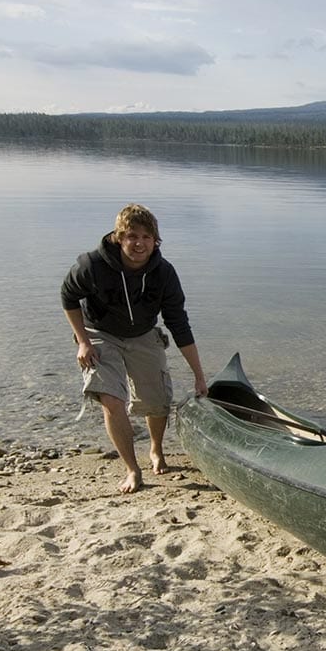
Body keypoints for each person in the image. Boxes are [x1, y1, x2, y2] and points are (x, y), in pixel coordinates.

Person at [61, 203, 208, 493]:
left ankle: (156, 449)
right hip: (100, 333)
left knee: (157, 401)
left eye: (145, 237)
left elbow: (179, 324)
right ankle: (132, 469)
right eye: (131, 236)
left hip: (142, 334)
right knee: (112, 399)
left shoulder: (164, 274)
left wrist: (199, 375)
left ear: (155, 241)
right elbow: (68, 297)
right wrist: (82, 341)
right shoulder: (92, 265)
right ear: (119, 238)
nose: (138, 243)